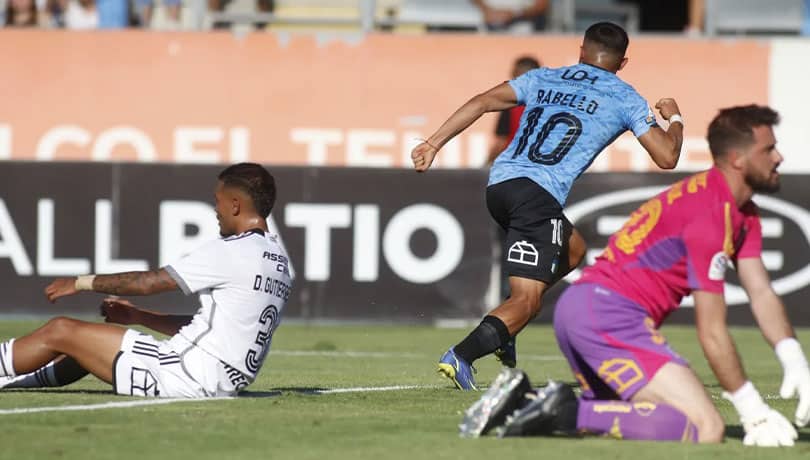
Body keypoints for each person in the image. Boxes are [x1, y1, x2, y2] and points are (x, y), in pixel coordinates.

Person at [464, 105, 810, 445]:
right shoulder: (712, 213)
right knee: (706, 427)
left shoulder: (741, 210)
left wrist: (793, 357)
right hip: (609, 318)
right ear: (738, 159)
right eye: (769, 149)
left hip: (584, 309)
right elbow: (712, 331)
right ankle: (549, 407)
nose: (778, 157)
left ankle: (537, 405)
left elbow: (762, 292)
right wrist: (753, 411)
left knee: (651, 417)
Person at [411, 21, 684, 391]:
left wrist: (433, 143)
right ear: (623, 63)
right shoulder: (624, 96)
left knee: (574, 250)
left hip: (501, 186)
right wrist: (675, 118)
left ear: (582, 51)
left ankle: (505, 324)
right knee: (529, 301)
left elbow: (481, 102)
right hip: (537, 197)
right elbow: (667, 158)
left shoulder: (544, 77)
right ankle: (463, 353)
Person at [0, 163, 292, 398]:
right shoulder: (277, 260)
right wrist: (138, 316)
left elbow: (148, 283)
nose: (215, 210)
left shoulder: (233, 250)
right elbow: (218, 330)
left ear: (236, 205)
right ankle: (13, 381)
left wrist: (79, 282)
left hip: (182, 374)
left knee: (60, 329)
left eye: (217, 201)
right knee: (83, 345)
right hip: (215, 380)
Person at [487, 56, 541, 166]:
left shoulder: (511, 105)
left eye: (515, 76)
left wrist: (487, 163)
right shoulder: (550, 103)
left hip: (514, 166)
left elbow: (501, 142)